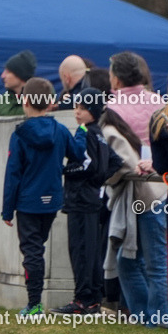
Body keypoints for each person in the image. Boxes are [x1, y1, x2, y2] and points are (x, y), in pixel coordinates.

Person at [1, 77, 86, 318]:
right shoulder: (60, 129)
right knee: (38, 247)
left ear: (24, 101)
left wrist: (7, 211)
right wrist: (80, 131)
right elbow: (78, 154)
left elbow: (12, 176)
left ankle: (34, 304)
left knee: (32, 252)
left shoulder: (19, 135)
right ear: (50, 102)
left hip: (27, 202)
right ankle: (35, 304)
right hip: (52, 201)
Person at [54, 89, 121, 314]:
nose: (77, 112)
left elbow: (88, 165)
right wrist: (99, 180)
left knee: (80, 251)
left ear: (92, 111)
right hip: (91, 200)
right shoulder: (99, 133)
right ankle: (92, 299)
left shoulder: (87, 133)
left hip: (81, 200)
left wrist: (64, 170)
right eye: (76, 107)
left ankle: (82, 300)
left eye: (82, 108)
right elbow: (115, 162)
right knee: (91, 252)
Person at [102, 108, 168, 327]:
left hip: (149, 202)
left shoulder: (107, 130)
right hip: (140, 202)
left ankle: (157, 321)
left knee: (154, 265)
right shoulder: (108, 128)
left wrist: (106, 178)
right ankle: (145, 318)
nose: (77, 113)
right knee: (127, 262)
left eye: (81, 108)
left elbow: (128, 164)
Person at [105, 51, 162, 149]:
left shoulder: (111, 108)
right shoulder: (158, 100)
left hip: (128, 161)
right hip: (157, 160)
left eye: (110, 76)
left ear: (116, 80)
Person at [0, 50, 36, 117]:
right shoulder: (4, 99)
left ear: (20, 74)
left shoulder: (42, 94)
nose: (3, 76)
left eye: (8, 72)